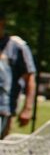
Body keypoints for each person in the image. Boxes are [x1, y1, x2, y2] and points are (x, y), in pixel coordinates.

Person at [0, 9, 36, 139]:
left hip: (3, 108)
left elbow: (30, 79)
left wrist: (28, 108)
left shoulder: (16, 47)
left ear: (2, 23)